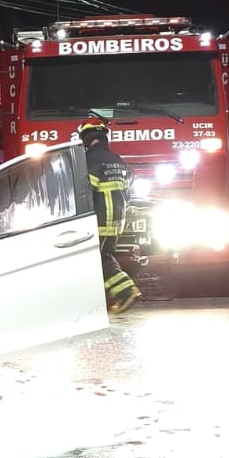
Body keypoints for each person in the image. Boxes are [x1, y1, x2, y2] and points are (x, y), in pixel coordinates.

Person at [78, 118, 142, 314]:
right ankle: (111, 295)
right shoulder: (117, 159)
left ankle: (126, 291)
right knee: (102, 256)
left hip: (98, 219)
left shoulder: (90, 159)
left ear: (86, 138)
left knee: (97, 258)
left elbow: (86, 192)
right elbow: (129, 191)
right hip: (116, 220)